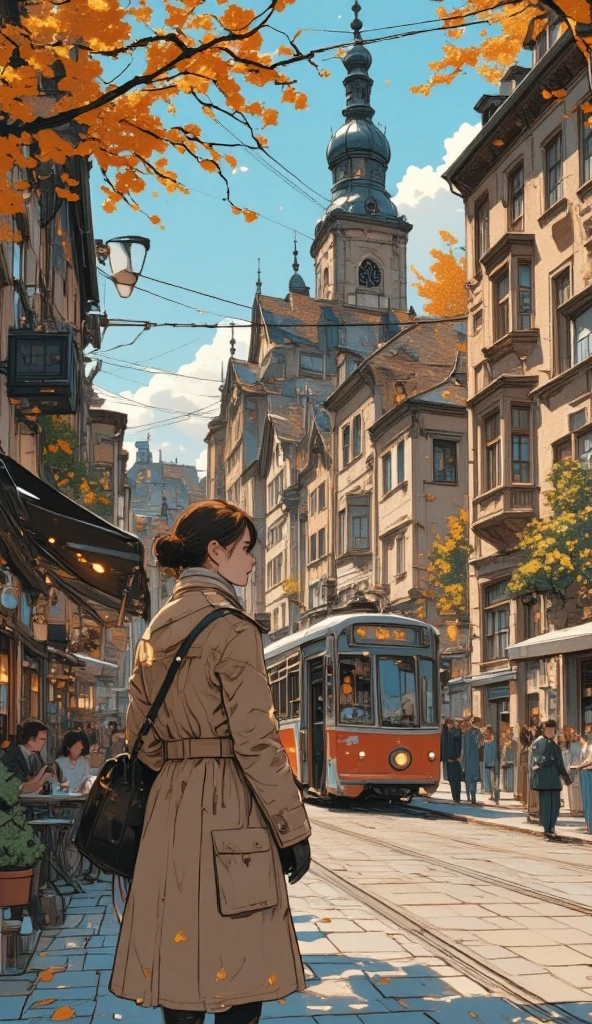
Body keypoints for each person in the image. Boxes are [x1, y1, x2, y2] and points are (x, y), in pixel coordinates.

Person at [110, 499, 311, 1024]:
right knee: (241, 956)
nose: (251, 561)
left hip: (169, 809)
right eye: (246, 550)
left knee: (178, 962)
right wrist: (292, 830)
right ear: (216, 551)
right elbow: (256, 740)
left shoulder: (155, 630)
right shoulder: (234, 629)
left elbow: (140, 738)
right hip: (231, 804)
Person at [530, 719, 571, 840]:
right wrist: (549, 760)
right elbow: (537, 760)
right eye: (548, 729)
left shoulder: (554, 745)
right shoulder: (538, 743)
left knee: (555, 806)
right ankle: (547, 830)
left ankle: (551, 827)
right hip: (544, 780)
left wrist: (566, 777)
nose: (550, 732)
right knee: (547, 806)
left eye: (552, 730)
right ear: (543, 730)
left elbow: (560, 763)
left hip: (554, 780)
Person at [1, 718, 54, 794]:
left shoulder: (35, 756)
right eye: (42, 739)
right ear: (30, 739)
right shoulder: (11, 757)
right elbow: (18, 787)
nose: (44, 743)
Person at [461, 717, 480, 804]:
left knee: (469, 779)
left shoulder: (465, 736)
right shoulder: (477, 734)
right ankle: (472, 796)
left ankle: (470, 796)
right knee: (473, 779)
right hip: (473, 759)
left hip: (469, 760)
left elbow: (463, 750)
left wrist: (462, 761)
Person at [444, 718, 462, 803]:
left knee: (456, 780)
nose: (449, 725)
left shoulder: (456, 732)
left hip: (455, 759)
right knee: (452, 780)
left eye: (451, 723)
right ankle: (455, 798)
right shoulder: (446, 732)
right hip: (449, 760)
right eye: (448, 723)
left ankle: (457, 798)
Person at [482, 725, 497, 799]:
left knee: (491, 778)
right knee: (488, 777)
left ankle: (492, 793)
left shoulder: (492, 741)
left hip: (490, 761)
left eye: (488, 732)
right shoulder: (487, 740)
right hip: (487, 760)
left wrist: (491, 762)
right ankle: (490, 793)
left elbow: (493, 752)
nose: (487, 733)